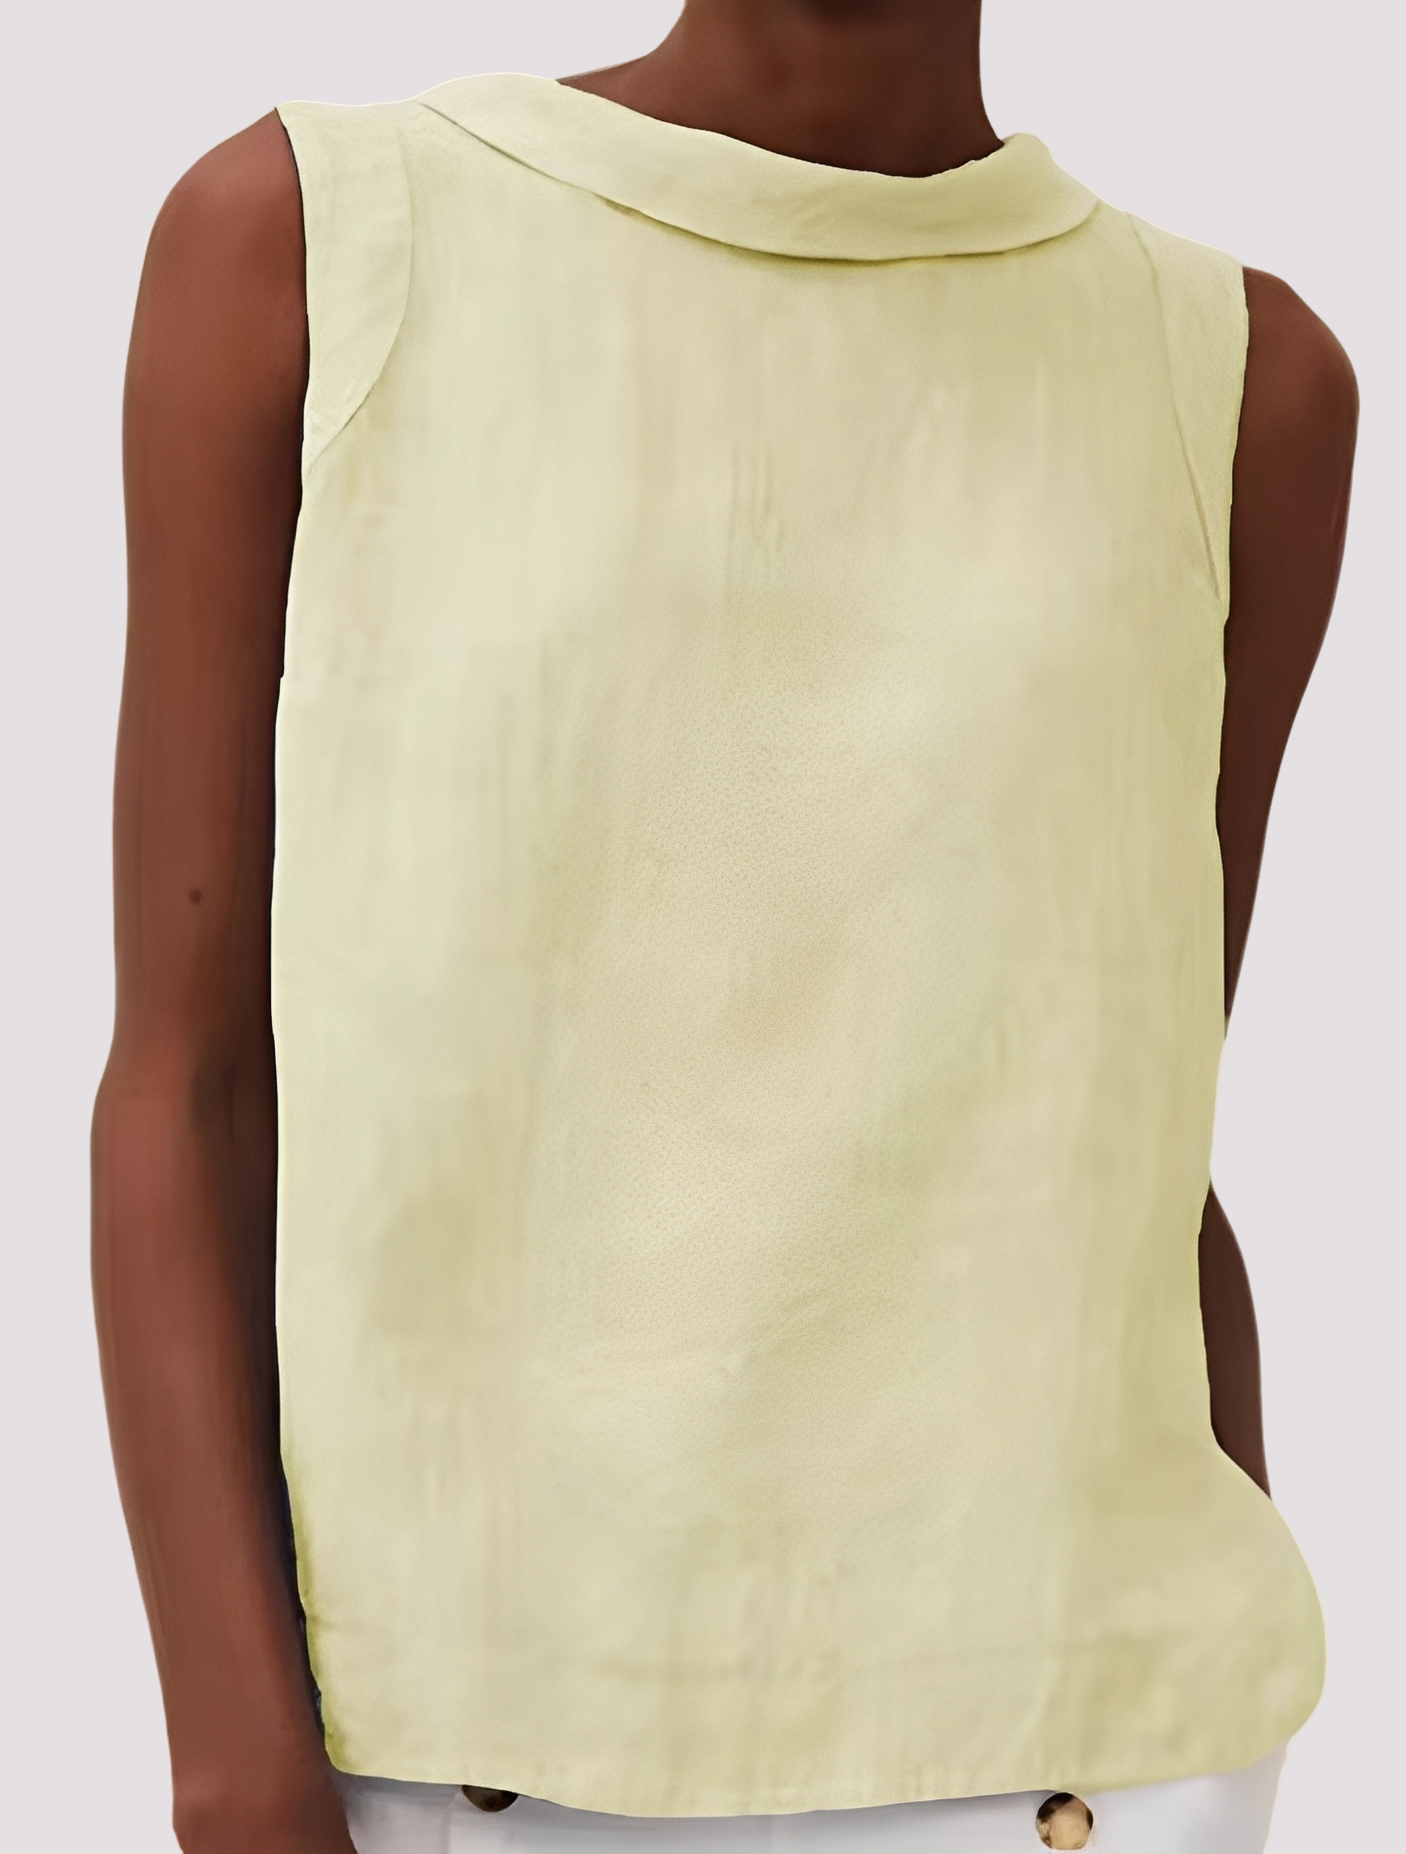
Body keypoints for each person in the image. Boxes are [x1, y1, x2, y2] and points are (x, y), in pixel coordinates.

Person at [91, 3, 1358, 1852]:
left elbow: (1142, 1119)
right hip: (450, 1743)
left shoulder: (1239, 379)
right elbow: (187, 1078)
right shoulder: (315, 243)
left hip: (1094, 1760)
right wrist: (235, 1766)